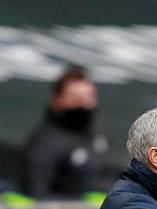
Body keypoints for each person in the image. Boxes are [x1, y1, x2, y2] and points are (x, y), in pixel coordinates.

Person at [20, 65, 118, 198]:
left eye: (89, 97)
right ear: (57, 100)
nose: (84, 104)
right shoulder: (44, 144)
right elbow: (35, 196)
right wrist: (83, 204)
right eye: (76, 98)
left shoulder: (97, 136)